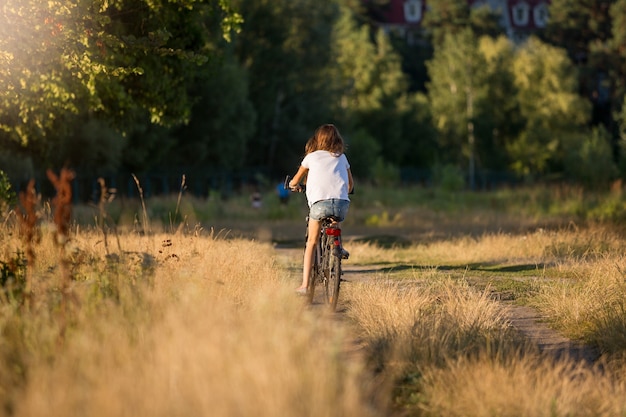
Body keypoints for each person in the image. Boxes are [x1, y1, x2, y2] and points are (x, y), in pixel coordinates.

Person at [288, 124, 353, 295]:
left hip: (319, 204)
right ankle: (338, 246)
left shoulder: (311, 157)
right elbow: (350, 184)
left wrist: (293, 186)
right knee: (335, 217)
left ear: (318, 139)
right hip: (341, 204)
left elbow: (295, 181)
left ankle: (304, 285)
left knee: (312, 242)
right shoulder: (342, 157)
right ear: (337, 139)